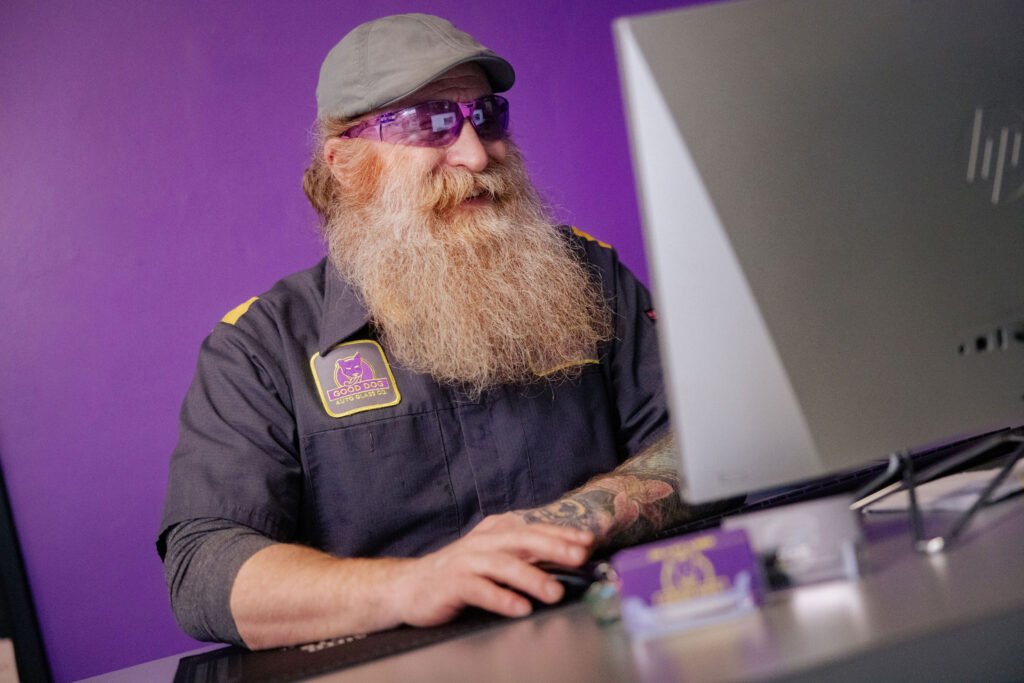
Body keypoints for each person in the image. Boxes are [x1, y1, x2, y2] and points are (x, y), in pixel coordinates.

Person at [159, 13, 722, 650]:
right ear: (345, 163)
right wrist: (409, 585)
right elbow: (203, 569)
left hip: (612, 643)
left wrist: (571, 521)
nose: (477, 154)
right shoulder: (258, 350)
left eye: (487, 116)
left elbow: (707, 446)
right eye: (428, 123)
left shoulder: (591, 275)